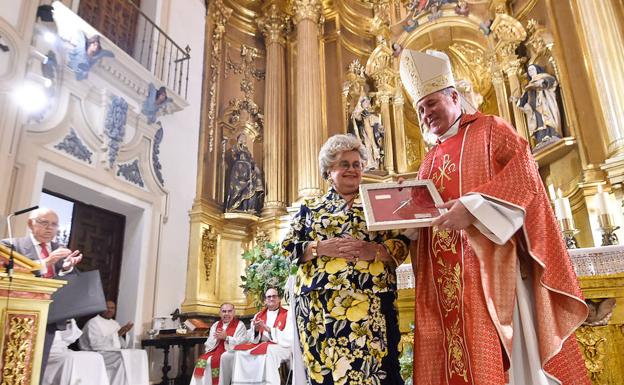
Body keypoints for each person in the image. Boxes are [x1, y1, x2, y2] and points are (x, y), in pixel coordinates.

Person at [399, 49, 590, 384]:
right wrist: (406, 216)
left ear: (454, 96)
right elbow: (429, 218)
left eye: (431, 104)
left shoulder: (491, 129)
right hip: (448, 283)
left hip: (493, 270)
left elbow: (525, 179)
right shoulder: (428, 161)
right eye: (419, 109)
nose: (425, 114)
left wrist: (472, 210)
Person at [280, 134, 410, 385]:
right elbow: (287, 249)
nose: (352, 169)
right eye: (344, 164)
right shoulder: (311, 209)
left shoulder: (379, 202)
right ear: (329, 170)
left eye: (357, 164)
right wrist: (320, 247)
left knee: (376, 372)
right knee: (328, 374)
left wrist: (373, 251)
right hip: (321, 308)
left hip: (372, 303)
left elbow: (402, 245)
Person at [1, 207, 83, 378]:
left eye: (54, 225)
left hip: (49, 317)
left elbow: (73, 285)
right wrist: (47, 261)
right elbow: (10, 274)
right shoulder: (11, 245)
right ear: (31, 224)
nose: (49, 228)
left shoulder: (60, 250)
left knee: (37, 368)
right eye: (44, 223)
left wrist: (67, 269)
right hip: (16, 314)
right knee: (9, 365)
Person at [220, 288, 291, 385]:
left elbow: (289, 337)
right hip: (260, 344)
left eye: (274, 296)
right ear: (265, 300)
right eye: (268, 297)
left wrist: (268, 329)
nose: (271, 299)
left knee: (267, 351)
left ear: (279, 299)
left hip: (280, 345)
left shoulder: (287, 314)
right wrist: (257, 330)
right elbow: (253, 338)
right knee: (240, 352)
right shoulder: (259, 315)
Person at [79, 300, 149, 385]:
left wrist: (123, 334)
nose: (110, 310)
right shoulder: (93, 322)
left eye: (112, 308)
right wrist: (118, 333)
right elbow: (96, 344)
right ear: (101, 309)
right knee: (123, 359)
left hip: (109, 352)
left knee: (139, 354)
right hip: (95, 353)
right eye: (107, 308)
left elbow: (122, 345)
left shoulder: (114, 323)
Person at [190, 303, 247, 385]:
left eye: (229, 311)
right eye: (224, 311)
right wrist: (216, 339)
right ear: (220, 313)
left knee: (220, 359)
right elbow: (209, 342)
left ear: (234, 312)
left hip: (231, 352)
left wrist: (226, 338)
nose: (226, 314)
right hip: (215, 350)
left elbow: (242, 342)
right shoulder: (216, 325)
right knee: (202, 361)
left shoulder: (240, 325)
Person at [42, 319, 110, 385]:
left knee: (97, 357)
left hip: (62, 348)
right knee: (71, 358)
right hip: (46, 350)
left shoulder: (64, 314)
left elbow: (71, 336)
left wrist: (68, 323)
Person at [517, 64, 562, 150]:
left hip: (544, 103)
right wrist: (517, 100)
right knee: (538, 121)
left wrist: (540, 83)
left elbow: (551, 82)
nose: (531, 72)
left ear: (537, 69)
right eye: (529, 71)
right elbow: (524, 99)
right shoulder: (529, 84)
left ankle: (551, 134)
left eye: (532, 69)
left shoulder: (544, 77)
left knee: (547, 118)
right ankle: (541, 138)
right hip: (535, 107)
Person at [225, 133, 265, 215]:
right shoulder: (236, 147)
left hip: (248, 170)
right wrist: (239, 144)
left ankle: (248, 208)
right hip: (239, 169)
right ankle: (234, 206)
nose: (244, 139)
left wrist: (255, 167)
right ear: (238, 138)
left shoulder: (247, 150)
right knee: (237, 188)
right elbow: (234, 154)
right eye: (242, 137)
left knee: (252, 186)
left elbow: (251, 160)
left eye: (245, 138)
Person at [349, 96, 384, 171]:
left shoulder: (371, 114)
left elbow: (377, 123)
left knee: (374, 147)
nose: (367, 104)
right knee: (367, 146)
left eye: (368, 102)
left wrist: (379, 127)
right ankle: (368, 163)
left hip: (372, 134)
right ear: (361, 103)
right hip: (364, 133)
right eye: (365, 102)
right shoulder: (361, 112)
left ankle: (374, 163)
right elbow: (356, 118)